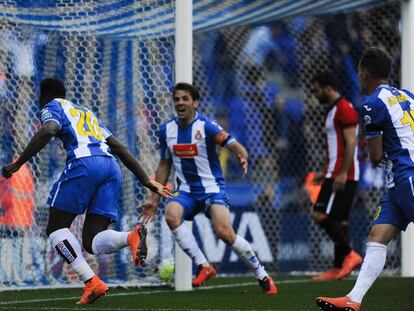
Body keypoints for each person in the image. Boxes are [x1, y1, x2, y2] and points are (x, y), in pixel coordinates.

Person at [1, 78, 172, 304]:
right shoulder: (86, 113)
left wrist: (18, 163)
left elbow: (49, 129)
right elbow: (119, 147)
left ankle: (91, 281)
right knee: (92, 240)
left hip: (84, 164)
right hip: (110, 167)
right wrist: (145, 180)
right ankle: (130, 236)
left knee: (55, 228)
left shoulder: (51, 107)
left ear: (43, 97)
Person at [140, 82, 277, 294]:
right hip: (185, 190)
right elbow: (164, 164)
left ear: (195, 102)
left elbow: (231, 142)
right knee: (171, 214)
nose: (180, 103)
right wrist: (154, 198)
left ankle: (261, 274)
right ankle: (204, 266)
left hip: (212, 189)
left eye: (185, 98)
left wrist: (242, 154)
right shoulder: (166, 130)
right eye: (176, 99)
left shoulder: (207, 126)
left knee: (225, 233)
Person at [316, 47, 414, 310]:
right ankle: (353, 299)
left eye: (359, 71)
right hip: (398, 181)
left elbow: (374, 156)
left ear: (364, 72)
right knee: (377, 235)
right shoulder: (407, 95)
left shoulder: (372, 104)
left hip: (408, 175)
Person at [311, 71, 362, 281]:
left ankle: (350, 254)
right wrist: (326, 171)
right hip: (335, 171)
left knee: (319, 213)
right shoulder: (332, 109)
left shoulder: (344, 108)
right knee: (340, 220)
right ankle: (338, 267)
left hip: (343, 173)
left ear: (328, 88)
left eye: (317, 90)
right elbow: (336, 146)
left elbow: (351, 142)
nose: (315, 94)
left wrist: (341, 173)